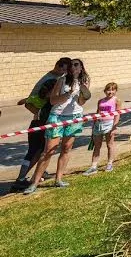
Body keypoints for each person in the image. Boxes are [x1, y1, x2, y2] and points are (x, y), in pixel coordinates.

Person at [24, 58, 89, 194]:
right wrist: (68, 94)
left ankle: (58, 179)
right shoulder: (62, 80)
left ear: (81, 68)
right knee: (49, 150)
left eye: (76, 65)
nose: (73, 67)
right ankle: (34, 183)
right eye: (71, 65)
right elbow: (53, 100)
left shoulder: (84, 81)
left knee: (66, 148)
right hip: (57, 117)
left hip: (74, 117)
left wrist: (83, 94)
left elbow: (81, 103)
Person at [10, 57, 71, 192]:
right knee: (38, 152)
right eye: (63, 68)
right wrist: (38, 112)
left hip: (39, 121)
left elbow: (29, 100)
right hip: (42, 122)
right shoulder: (51, 81)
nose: (64, 71)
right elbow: (31, 102)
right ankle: (20, 180)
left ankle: (37, 173)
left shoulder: (54, 78)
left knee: (36, 151)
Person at [83, 82, 119, 175]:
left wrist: (114, 126)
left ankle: (110, 163)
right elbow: (97, 113)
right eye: (108, 90)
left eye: (112, 90)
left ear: (115, 91)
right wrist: (94, 125)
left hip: (109, 124)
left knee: (109, 144)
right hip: (99, 124)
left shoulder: (116, 100)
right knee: (97, 146)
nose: (110, 92)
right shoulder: (101, 101)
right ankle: (93, 166)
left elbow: (117, 114)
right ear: (105, 91)